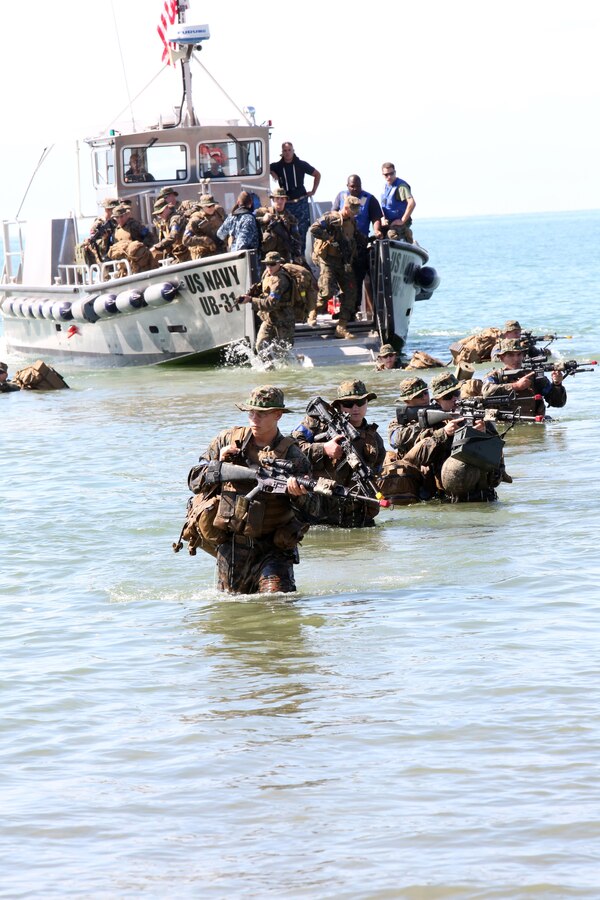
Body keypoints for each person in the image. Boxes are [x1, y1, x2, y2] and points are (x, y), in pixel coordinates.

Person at [183, 385, 310, 594]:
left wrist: (298, 495)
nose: (254, 418)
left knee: (277, 607)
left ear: (278, 415)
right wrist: (218, 463)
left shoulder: (293, 455)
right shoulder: (227, 440)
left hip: (274, 551)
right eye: (251, 412)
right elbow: (194, 480)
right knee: (231, 615)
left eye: (262, 413)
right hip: (232, 548)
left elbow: (313, 512)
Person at [291, 379, 385, 528]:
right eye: (348, 404)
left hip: (354, 515)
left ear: (367, 403)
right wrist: (323, 448)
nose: (355, 408)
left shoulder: (374, 438)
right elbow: (291, 449)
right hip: (316, 512)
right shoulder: (317, 425)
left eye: (360, 403)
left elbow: (376, 472)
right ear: (339, 406)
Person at [309, 195, 360, 339]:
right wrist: (329, 238)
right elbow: (314, 229)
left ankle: (341, 326)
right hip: (328, 259)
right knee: (327, 290)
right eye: (352, 211)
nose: (353, 214)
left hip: (344, 260)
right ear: (346, 207)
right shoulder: (332, 218)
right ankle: (313, 310)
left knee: (351, 292)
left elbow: (354, 237)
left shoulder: (352, 221)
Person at [333, 174, 383, 316]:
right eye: (352, 186)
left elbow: (376, 218)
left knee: (357, 277)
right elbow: (334, 214)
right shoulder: (341, 197)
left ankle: (353, 309)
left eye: (358, 186)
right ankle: (343, 309)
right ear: (347, 186)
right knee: (341, 278)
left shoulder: (369, 199)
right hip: (342, 245)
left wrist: (377, 230)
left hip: (359, 245)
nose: (355, 189)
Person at [482, 338, 567, 417]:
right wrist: (515, 386)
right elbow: (487, 392)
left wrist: (557, 384)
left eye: (519, 354)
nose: (516, 359)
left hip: (533, 426)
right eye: (511, 355)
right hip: (505, 425)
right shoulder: (494, 376)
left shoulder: (534, 376)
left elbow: (558, 403)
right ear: (502, 358)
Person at [240, 251, 296, 355]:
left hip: (284, 321)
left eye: (273, 264)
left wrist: (251, 300)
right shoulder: (267, 274)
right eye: (267, 264)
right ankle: (269, 369)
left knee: (282, 353)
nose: (269, 267)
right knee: (260, 347)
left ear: (279, 263)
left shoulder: (280, 281)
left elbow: (271, 304)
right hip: (269, 319)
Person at [270, 142, 321, 253]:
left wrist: (313, 191)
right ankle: (289, 257)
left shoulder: (301, 164)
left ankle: (300, 256)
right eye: (285, 151)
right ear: (282, 153)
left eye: (289, 150)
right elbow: (265, 167)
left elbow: (317, 174)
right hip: (286, 204)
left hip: (301, 202)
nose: (287, 153)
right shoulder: (277, 166)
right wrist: (272, 173)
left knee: (301, 231)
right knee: (285, 232)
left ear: (293, 151)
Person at [255, 188, 302, 263]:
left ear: (286, 200)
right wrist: (262, 220)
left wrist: (298, 254)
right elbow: (249, 221)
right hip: (266, 256)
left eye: (282, 199)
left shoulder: (291, 218)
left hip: (283, 257)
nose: (280, 201)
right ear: (273, 199)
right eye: (277, 198)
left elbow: (296, 238)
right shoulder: (263, 212)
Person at [387, 376, 431, 455]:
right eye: (419, 395)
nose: (424, 397)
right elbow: (395, 441)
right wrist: (424, 423)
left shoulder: (438, 411)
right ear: (406, 400)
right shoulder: (398, 421)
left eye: (426, 393)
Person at [107, 205, 157, 275]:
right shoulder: (116, 231)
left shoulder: (134, 225)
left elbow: (149, 236)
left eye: (121, 216)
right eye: (117, 217)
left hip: (139, 264)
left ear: (126, 215)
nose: (120, 219)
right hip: (126, 266)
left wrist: (143, 248)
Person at [380, 162, 415, 243]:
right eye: (386, 175)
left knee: (391, 235)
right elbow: (384, 206)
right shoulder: (385, 188)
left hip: (399, 224)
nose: (389, 177)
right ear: (382, 175)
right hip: (388, 223)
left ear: (395, 172)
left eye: (391, 174)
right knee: (377, 236)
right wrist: (382, 219)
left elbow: (412, 203)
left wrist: (402, 220)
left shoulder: (401, 186)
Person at [182, 194, 226, 259]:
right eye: (208, 206)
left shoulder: (219, 213)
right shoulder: (196, 219)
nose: (211, 208)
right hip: (204, 256)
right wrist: (204, 240)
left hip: (221, 251)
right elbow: (185, 240)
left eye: (213, 205)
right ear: (202, 207)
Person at [150, 197, 191, 264]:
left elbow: (173, 236)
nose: (160, 216)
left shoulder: (175, 219)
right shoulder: (165, 221)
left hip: (186, 253)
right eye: (157, 214)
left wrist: (157, 247)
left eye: (161, 212)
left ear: (167, 208)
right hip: (176, 254)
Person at [81, 197, 120, 265]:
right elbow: (94, 244)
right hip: (102, 257)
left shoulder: (113, 221)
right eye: (114, 209)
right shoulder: (98, 224)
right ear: (108, 209)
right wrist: (105, 239)